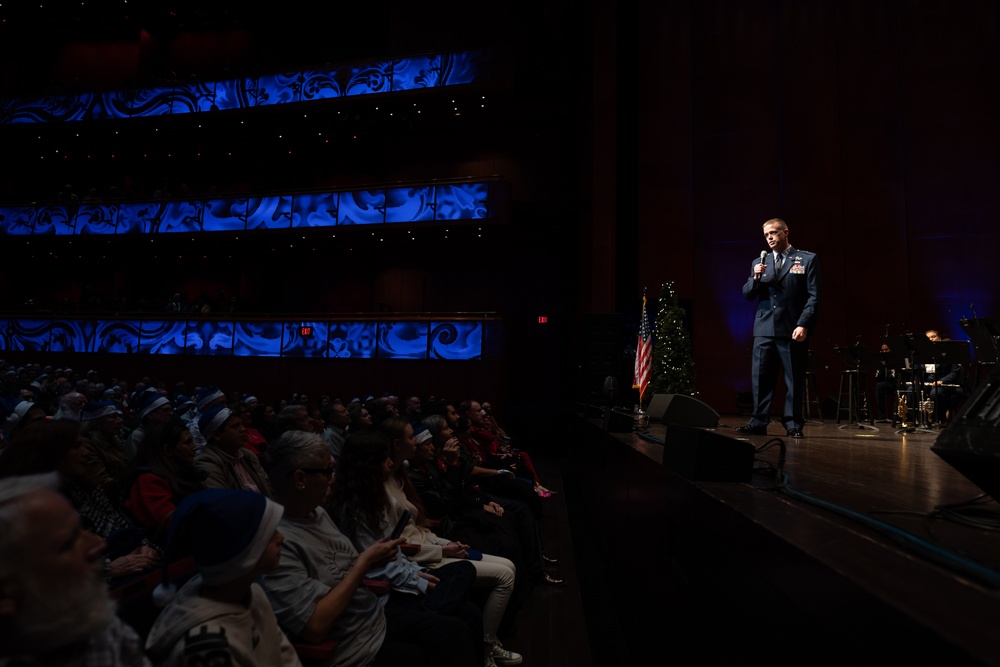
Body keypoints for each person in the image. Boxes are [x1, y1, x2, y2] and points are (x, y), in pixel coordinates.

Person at [260, 429, 479, 667]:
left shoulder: (318, 513)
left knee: (468, 613)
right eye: (327, 471)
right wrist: (365, 563)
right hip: (355, 643)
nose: (334, 478)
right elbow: (314, 627)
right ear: (300, 479)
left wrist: (374, 561)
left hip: (372, 614)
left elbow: (346, 565)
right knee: (451, 633)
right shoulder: (276, 540)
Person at [328, 429, 484, 666]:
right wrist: (419, 581)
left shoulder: (371, 498)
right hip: (386, 593)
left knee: (464, 577)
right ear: (368, 464)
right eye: (384, 458)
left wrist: (416, 573)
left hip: (403, 577)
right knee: (459, 615)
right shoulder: (355, 509)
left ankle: (434, 610)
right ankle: (431, 612)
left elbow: (394, 554)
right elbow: (376, 567)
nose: (391, 462)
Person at [381, 417, 523, 666]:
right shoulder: (387, 485)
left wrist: (443, 543)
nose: (417, 440)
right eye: (411, 436)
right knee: (504, 576)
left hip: (433, 542)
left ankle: (490, 641)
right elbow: (403, 541)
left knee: (508, 564)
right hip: (422, 555)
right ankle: (487, 649)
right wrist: (442, 550)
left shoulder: (399, 477)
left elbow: (421, 527)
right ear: (395, 444)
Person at [0, 473, 152, 667]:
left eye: (82, 530)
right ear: (5, 591)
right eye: (69, 543)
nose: (98, 543)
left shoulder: (95, 625)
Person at [144, 488, 301, 666]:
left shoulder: (253, 594)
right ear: (241, 554)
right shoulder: (207, 647)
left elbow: (285, 655)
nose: (281, 537)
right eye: (269, 532)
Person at [738, 217, 822, 438]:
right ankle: (758, 422)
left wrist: (804, 323)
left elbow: (814, 297)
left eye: (774, 233)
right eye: (767, 235)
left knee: (793, 379)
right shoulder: (760, 262)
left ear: (786, 232)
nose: (770, 238)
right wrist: (756, 276)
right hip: (764, 330)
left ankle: (793, 423)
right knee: (760, 379)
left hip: (792, 329)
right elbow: (747, 294)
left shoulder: (806, 259)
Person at [120, 417, 207, 549]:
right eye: (188, 443)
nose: (194, 447)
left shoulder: (183, 470)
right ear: (168, 450)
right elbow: (174, 525)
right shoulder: (147, 480)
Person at [194, 404, 273, 497]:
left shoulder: (247, 455)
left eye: (241, 424)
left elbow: (269, 489)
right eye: (235, 426)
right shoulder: (206, 465)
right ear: (217, 435)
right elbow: (225, 505)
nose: (243, 429)